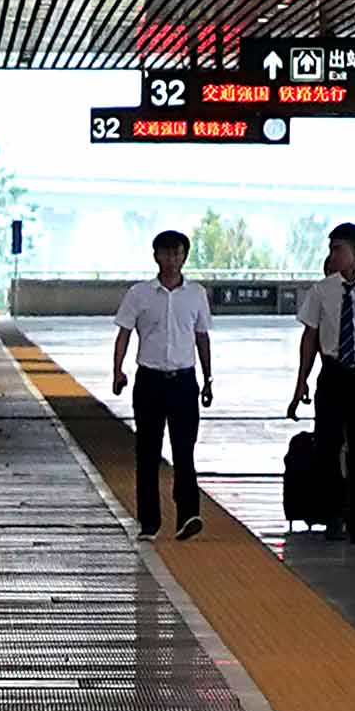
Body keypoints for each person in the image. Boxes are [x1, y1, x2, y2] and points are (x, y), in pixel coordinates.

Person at [290, 221, 355, 543]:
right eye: (331, 249)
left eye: (338, 249)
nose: (332, 255)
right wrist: (301, 381)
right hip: (334, 373)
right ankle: (332, 515)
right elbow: (310, 337)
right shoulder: (322, 291)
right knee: (327, 445)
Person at [109, 225, 213, 535]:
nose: (172, 260)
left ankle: (188, 515)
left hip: (184, 382)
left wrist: (208, 377)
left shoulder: (196, 294)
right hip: (149, 382)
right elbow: (124, 333)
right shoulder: (139, 294)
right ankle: (149, 522)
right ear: (156, 257)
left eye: (177, 254)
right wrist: (118, 370)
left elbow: (202, 336)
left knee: (184, 450)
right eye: (166, 254)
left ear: (185, 257)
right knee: (148, 453)